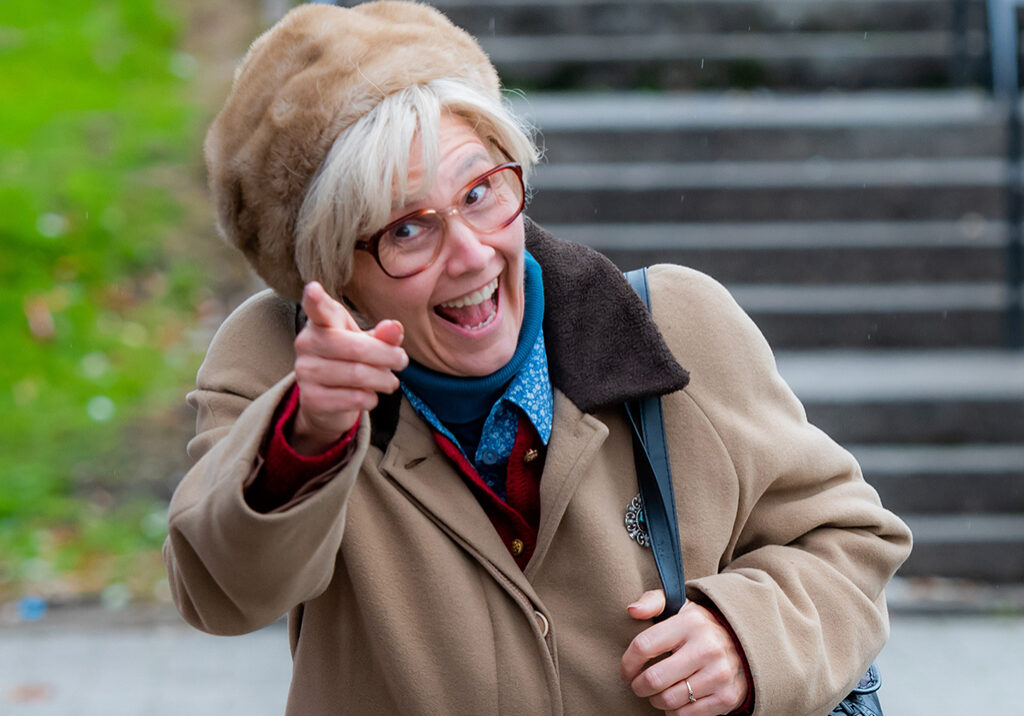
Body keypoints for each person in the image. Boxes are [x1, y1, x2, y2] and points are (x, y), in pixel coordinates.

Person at [163, 2, 912, 715]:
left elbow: (848, 542)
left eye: (481, 190)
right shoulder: (276, 366)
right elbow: (222, 596)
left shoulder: (678, 323)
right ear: (333, 269)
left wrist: (747, 639)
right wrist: (309, 436)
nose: (470, 253)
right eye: (406, 231)